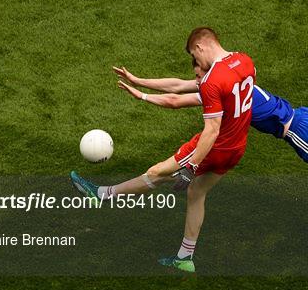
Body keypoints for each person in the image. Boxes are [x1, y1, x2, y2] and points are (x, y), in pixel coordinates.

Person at [113, 63, 308, 231]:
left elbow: (175, 98)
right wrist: (140, 80)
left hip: (300, 132)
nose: (197, 74)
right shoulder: (232, 78)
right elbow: (178, 85)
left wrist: (141, 95)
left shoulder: (219, 92)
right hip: (307, 115)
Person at [71, 27, 258, 272]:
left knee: (157, 173)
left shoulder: (213, 80)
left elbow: (211, 130)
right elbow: (180, 88)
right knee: (196, 193)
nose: (196, 61)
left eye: (194, 54)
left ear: (200, 46)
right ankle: (185, 258)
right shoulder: (245, 61)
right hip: (237, 147)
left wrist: (190, 168)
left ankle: (101, 195)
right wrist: (139, 83)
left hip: (214, 146)